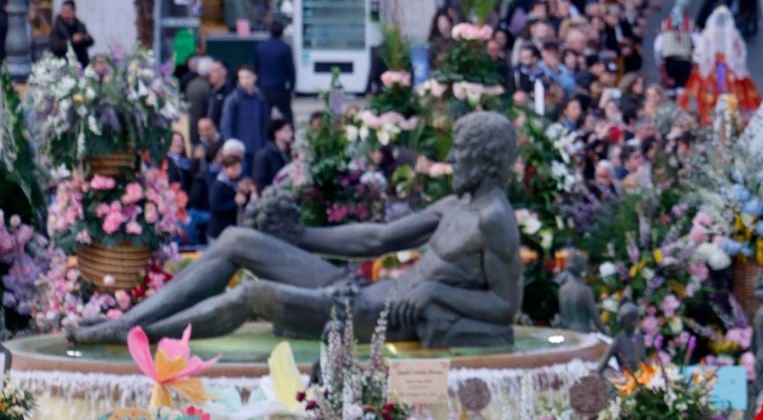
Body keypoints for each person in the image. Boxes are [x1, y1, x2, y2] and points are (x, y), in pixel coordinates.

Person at [72, 112, 523, 347]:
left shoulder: (494, 220)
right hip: (361, 295)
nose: (452, 160)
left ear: (485, 159)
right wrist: (299, 236)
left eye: (461, 152)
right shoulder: (454, 205)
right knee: (235, 240)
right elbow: (378, 239)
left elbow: (504, 308)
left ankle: (136, 336)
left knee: (253, 295)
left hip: (375, 320)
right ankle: (128, 320)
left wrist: (436, 293)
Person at [679, 5, 761, 117]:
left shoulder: (719, 33)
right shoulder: (724, 33)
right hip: (718, 66)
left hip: (723, 67)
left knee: (723, 91)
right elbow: (740, 51)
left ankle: (721, 115)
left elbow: (701, 52)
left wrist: (736, 64)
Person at [220, 65, 272, 162]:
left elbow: (265, 122)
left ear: (255, 77)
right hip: (240, 150)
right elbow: (226, 124)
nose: (245, 81)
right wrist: (231, 145)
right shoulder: (233, 99)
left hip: (259, 147)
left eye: (247, 77)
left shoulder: (260, 97)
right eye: (241, 78)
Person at [255, 20, 297, 124]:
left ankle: (265, 133)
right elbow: (290, 69)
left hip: (264, 86)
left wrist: (257, 84)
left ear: (269, 31)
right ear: (282, 32)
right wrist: (292, 87)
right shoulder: (285, 48)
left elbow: (256, 67)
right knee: (286, 113)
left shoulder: (260, 47)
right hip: (280, 87)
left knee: (265, 115)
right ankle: (290, 131)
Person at [207, 141, 248, 241]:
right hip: (219, 232)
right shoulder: (219, 185)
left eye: (239, 168)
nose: (237, 172)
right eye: (234, 169)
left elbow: (243, 202)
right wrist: (235, 202)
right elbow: (216, 207)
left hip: (233, 230)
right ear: (225, 169)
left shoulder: (238, 182)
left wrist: (246, 193)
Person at [654, 0, 698, 90]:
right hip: (685, 60)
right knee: (682, 87)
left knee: (671, 87)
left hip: (670, 60)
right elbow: (697, 44)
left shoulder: (664, 24)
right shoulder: (690, 25)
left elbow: (658, 48)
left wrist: (660, 62)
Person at [47, 0, 93, 67]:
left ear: (73, 11)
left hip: (81, 63)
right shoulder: (57, 28)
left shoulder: (79, 25)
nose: (65, 14)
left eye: (68, 11)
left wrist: (85, 38)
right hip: (65, 64)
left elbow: (90, 42)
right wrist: (72, 41)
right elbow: (55, 46)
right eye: (63, 11)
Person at [252, 117, 293, 190]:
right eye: (287, 131)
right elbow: (259, 181)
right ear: (276, 133)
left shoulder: (290, 153)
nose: (291, 134)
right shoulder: (263, 155)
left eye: (290, 130)